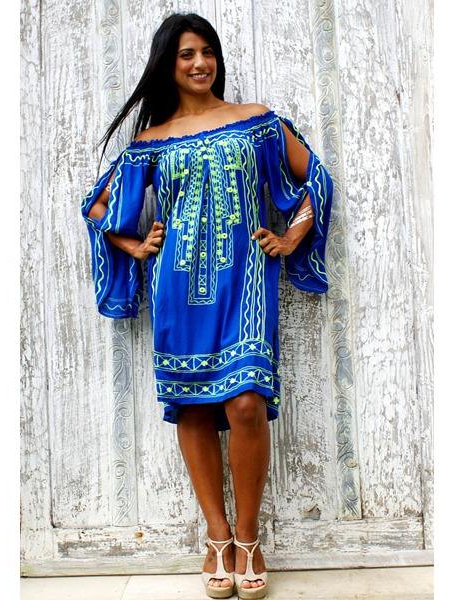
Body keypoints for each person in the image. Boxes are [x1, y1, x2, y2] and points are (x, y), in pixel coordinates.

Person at [81, 12, 333, 600]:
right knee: (193, 408)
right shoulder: (150, 142)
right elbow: (95, 208)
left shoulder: (256, 122)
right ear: (167, 65)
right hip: (176, 286)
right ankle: (217, 537)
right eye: (186, 54)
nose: (200, 63)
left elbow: (315, 177)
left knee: (246, 403)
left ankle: (249, 536)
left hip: (245, 280)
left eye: (207, 52)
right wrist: (134, 245)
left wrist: (292, 235)